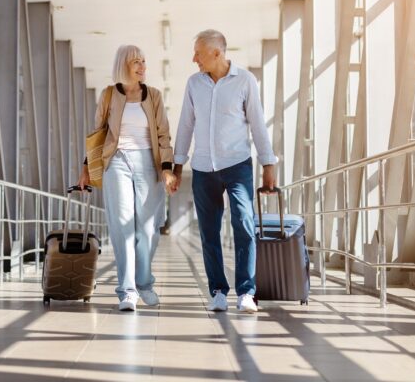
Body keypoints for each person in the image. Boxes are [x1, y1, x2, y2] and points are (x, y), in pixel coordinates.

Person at [172, 29, 277, 314]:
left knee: (243, 222)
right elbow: (185, 125)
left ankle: (246, 291)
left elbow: (257, 122)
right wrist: (176, 166)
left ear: (217, 53)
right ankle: (218, 290)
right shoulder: (194, 84)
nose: (194, 58)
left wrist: (268, 163)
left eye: (198, 53)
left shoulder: (245, 80)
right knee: (209, 231)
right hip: (203, 167)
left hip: (237, 163)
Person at [78, 45, 177, 311]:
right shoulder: (109, 95)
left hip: (148, 162)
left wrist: (167, 168)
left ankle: (144, 283)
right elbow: (97, 133)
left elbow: (163, 135)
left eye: (144, 61)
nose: (142, 66)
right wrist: (87, 167)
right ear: (124, 65)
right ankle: (127, 291)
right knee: (123, 227)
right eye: (137, 62)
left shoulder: (153, 96)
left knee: (147, 230)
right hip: (117, 161)